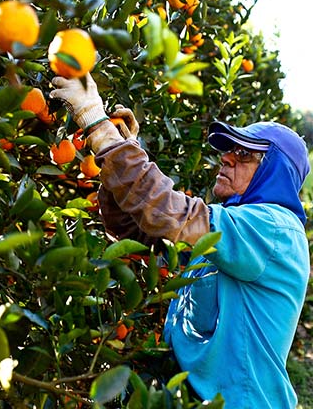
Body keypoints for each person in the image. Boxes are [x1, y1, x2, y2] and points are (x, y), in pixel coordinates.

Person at [50, 73, 310, 408]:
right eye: (229, 150)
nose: (227, 158)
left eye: (245, 155)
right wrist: (124, 149)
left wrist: (97, 124)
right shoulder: (230, 234)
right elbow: (139, 230)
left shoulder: (271, 229)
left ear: (274, 173)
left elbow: (167, 210)